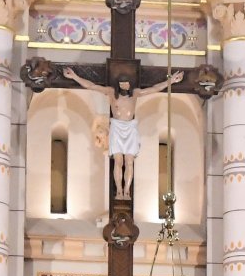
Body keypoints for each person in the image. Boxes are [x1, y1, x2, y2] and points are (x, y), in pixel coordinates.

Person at [61, 66, 185, 200]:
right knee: (118, 161)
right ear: (118, 84)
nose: (124, 85)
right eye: (121, 83)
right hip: (116, 128)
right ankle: (119, 191)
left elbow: (154, 89)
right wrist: (74, 76)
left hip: (130, 128)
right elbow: (92, 86)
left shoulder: (136, 94)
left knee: (130, 162)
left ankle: (127, 191)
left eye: (126, 83)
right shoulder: (110, 92)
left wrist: (171, 81)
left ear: (130, 84)